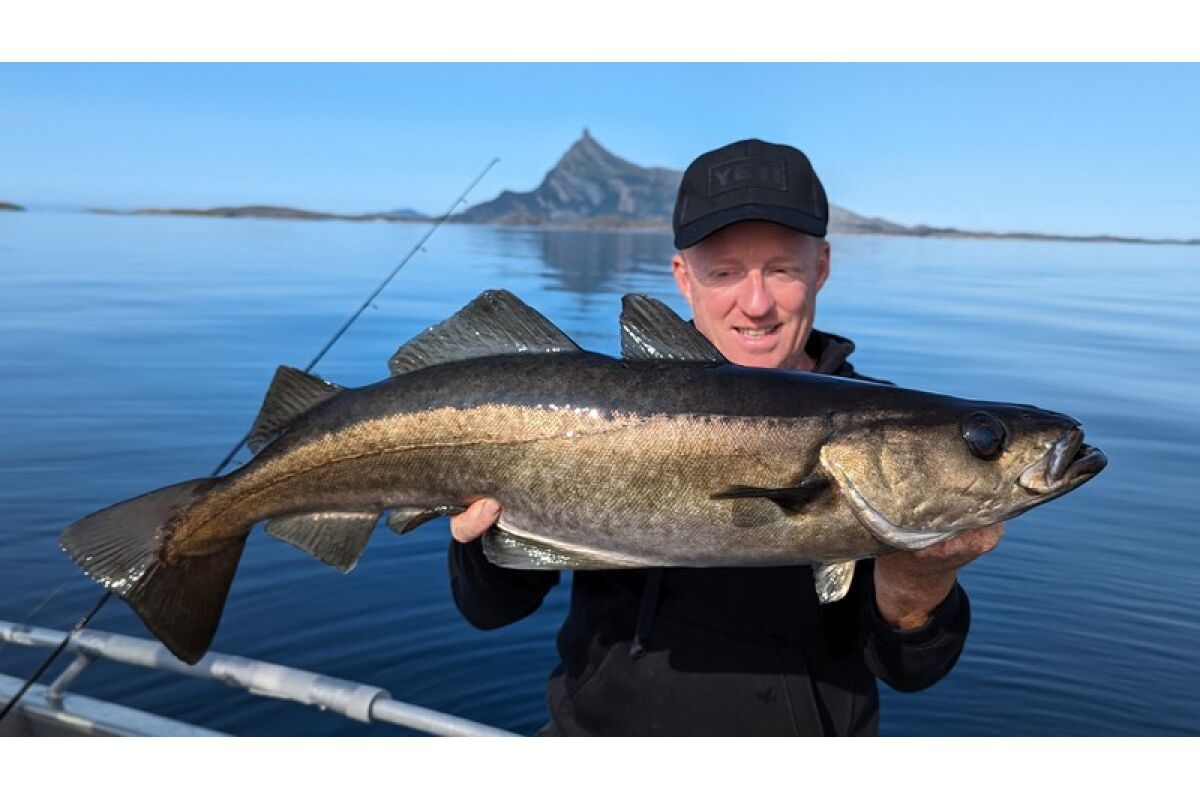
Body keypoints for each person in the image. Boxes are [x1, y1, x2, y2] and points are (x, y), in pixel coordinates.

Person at [447, 139, 1003, 735]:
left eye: (782, 269)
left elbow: (911, 671)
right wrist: (483, 534)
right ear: (683, 278)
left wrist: (920, 581)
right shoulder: (581, 413)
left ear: (820, 267)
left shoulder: (891, 435)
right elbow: (490, 611)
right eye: (725, 272)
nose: (756, 304)